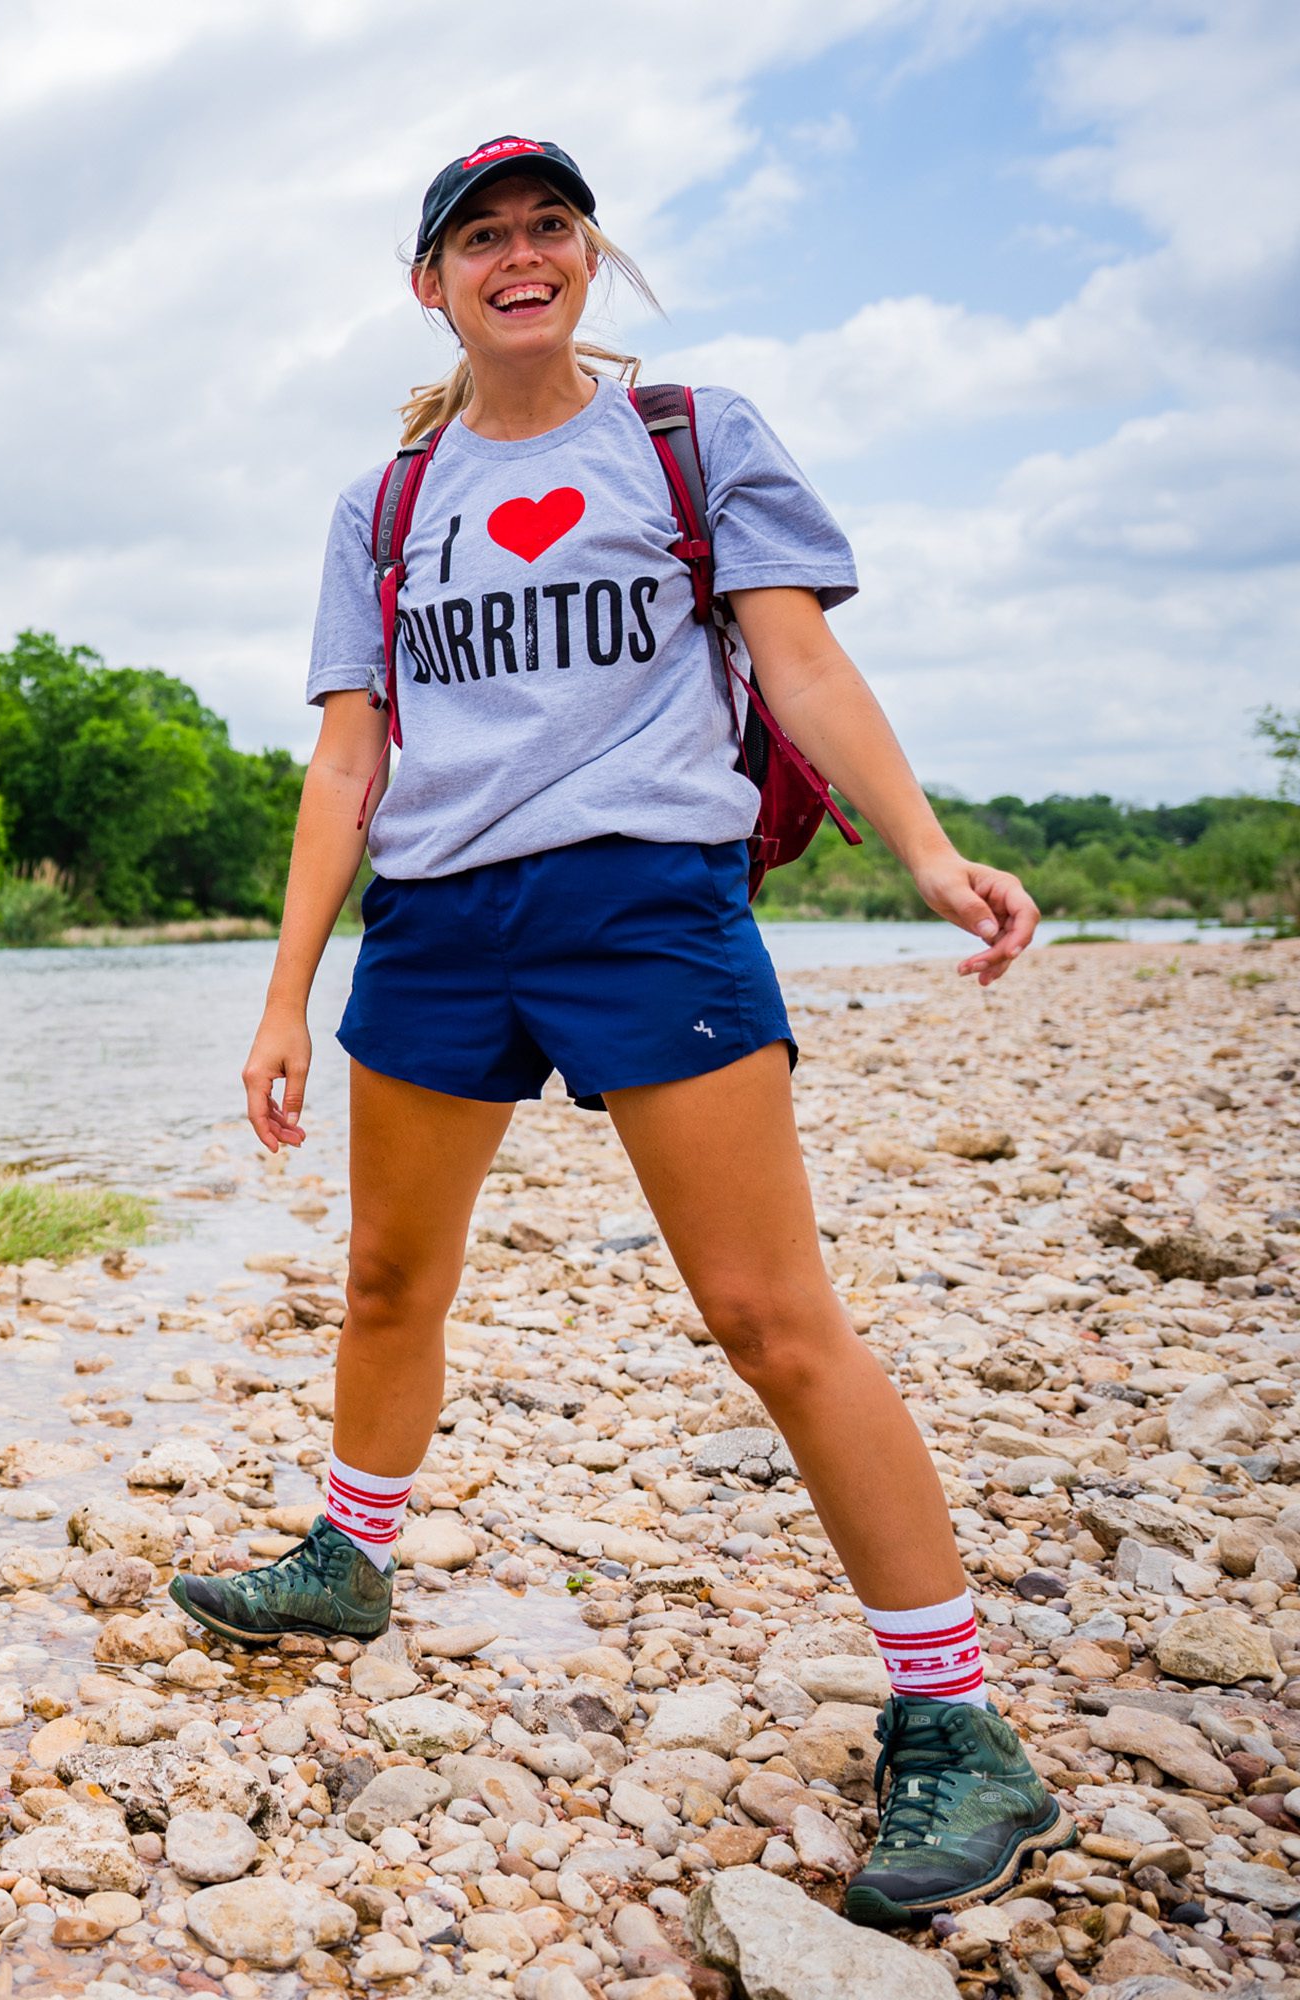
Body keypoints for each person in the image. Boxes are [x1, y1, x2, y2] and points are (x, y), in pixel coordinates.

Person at [169, 135, 1069, 1925]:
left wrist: (929, 849)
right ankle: (352, 1559)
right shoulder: (389, 502)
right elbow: (350, 755)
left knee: (765, 1311)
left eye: (548, 228)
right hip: (438, 922)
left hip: (649, 902)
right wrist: (284, 993)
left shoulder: (693, 437)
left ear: (589, 257)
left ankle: (960, 1722)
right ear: (429, 284)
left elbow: (798, 663)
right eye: (481, 238)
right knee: (382, 1283)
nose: (520, 256)